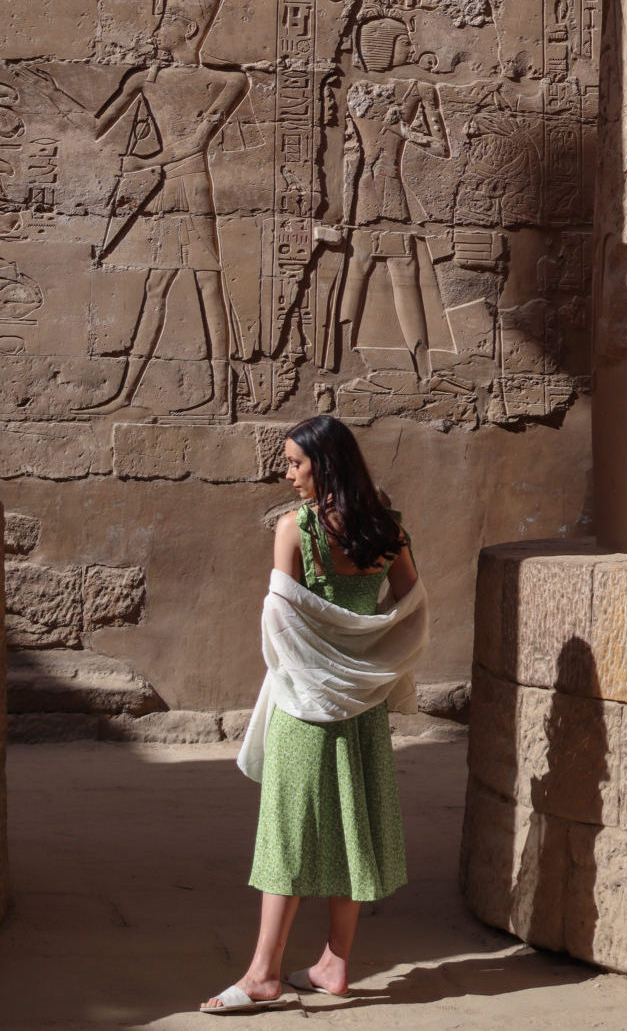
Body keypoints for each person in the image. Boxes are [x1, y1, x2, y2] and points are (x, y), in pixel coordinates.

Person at [201, 415, 427, 1013]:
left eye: (296, 462)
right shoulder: (388, 529)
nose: (288, 472)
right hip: (362, 704)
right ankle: (333, 964)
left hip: (305, 703)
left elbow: (280, 622)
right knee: (351, 825)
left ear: (325, 466)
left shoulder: (295, 528)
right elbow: (412, 605)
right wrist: (367, 655)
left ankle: (262, 975)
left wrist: (317, 661)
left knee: (287, 833)